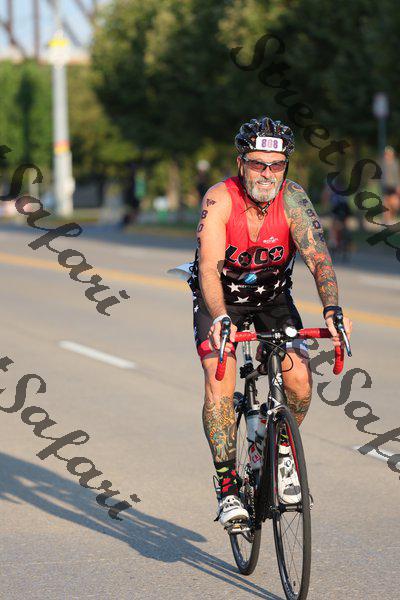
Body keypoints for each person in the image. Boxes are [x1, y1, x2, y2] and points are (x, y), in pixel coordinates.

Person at [187, 116, 352, 528]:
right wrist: (220, 316)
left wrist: (332, 309)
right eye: (258, 164)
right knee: (218, 379)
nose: (267, 173)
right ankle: (227, 486)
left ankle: (278, 450)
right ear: (241, 163)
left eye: (276, 165)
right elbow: (208, 268)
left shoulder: (293, 199)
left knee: (299, 380)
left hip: (272, 298)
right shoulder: (220, 199)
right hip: (221, 299)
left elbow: (319, 259)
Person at [381, 146, 400, 225]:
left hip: (394, 186)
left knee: (395, 204)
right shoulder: (383, 164)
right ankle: (387, 220)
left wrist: (398, 186)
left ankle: (391, 217)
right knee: (386, 203)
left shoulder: (395, 163)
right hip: (385, 186)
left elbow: (397, 175)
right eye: (386, 154)